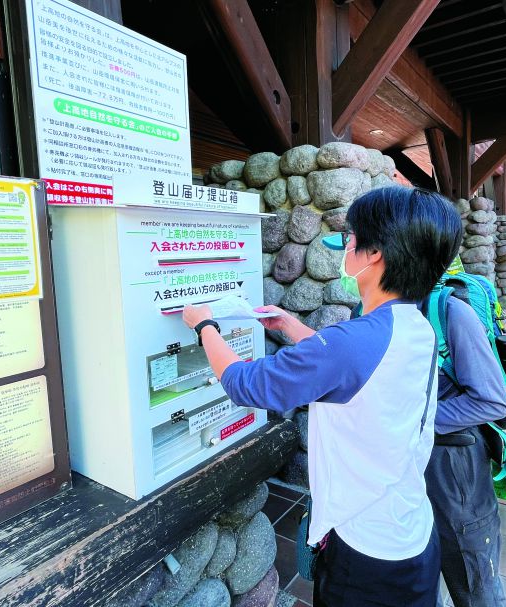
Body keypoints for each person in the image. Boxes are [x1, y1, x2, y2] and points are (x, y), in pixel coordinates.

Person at [182, 186, 463, 607]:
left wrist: (204, 325)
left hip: (365, 553)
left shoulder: (352, 342)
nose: (346, 245)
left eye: (352, 236)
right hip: (411, 533)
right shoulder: (415, 325)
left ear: (374, 253)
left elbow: (245, 384)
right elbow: (359, 372)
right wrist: (292, 327)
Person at [423, 283, 506, 606]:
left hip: (456, 477)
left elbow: (491, 401)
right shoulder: (368, 311)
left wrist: (417, 420)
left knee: (475, 588)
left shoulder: (449, 313)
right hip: (408, 475)